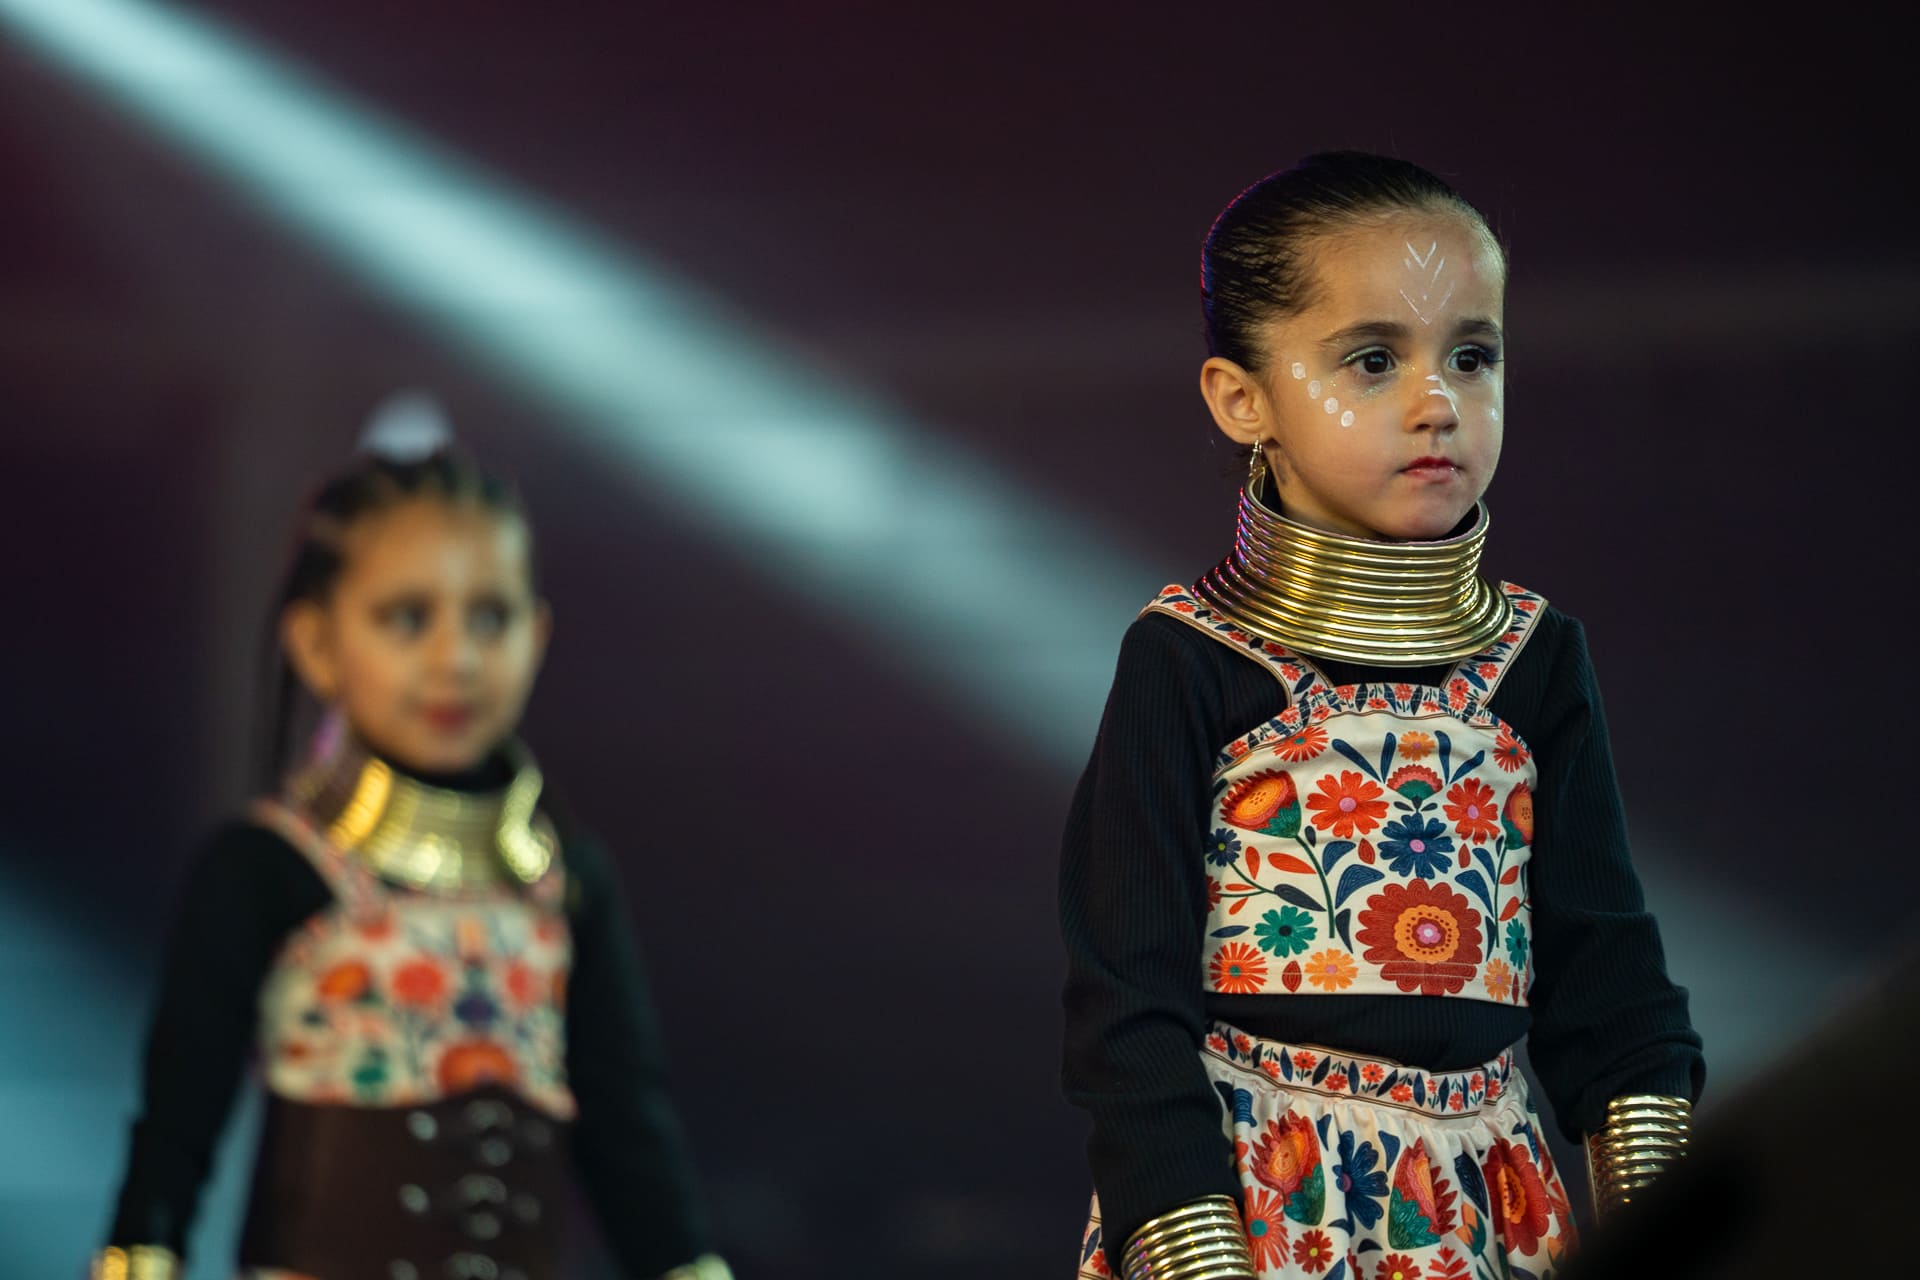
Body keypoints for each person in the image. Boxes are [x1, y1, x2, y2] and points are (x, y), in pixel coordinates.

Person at [1060, 152, 1704, 1280]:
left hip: (1497, 1211)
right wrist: (1199, 1254)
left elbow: (1612, 984)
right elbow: (1127, 1015)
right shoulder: (1188, 661)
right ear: (1239, 397)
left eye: (1473, 354)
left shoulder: (1536, 659)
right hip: (1258, 1211)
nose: (1439, 401)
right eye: (1372, 359)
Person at [94, 427, 729, 1280]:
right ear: (317, 643)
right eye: (407, 618)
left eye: (491, 618)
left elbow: (626, 1127)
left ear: (538, 639)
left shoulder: (566, 882)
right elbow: (180, 1118)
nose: (456, 659)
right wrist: (142, 1253)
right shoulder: (266, 868)